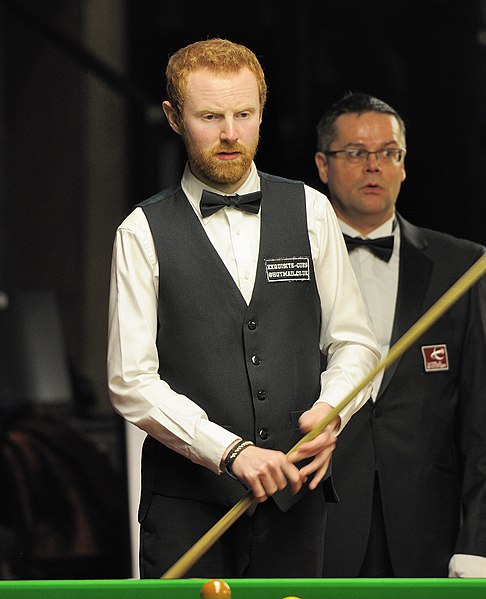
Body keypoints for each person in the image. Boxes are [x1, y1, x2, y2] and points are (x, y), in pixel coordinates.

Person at [106, 40, 379, 579]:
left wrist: (333, 411)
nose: (231, 133)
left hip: (293, 501)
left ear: (261, 113)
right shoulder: (141, 231)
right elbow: (130, 379)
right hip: (186, 511)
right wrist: (230, 452)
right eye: (210, 116)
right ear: (173, 117)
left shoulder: (311, 210)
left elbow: (356, 341)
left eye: (244, 114)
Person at [314, 92, 486, 578]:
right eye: (356, 153)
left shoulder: (460, 265)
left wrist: (484, 541)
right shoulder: (289, 263)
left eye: (389, 153)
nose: (374, 166)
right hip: (315, 522)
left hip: (425, 526)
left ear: (404, 164)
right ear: (323, 165)